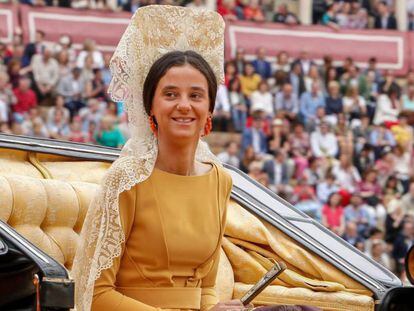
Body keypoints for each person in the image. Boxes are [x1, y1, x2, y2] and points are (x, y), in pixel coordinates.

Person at [72, 7, 242, 311]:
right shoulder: (126, 179)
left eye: (196, 95)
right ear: (151, 107)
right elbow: (95, 295)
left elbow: (205, 287)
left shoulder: (220, 180)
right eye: (171, 94)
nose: (184, 106)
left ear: (210, 111)